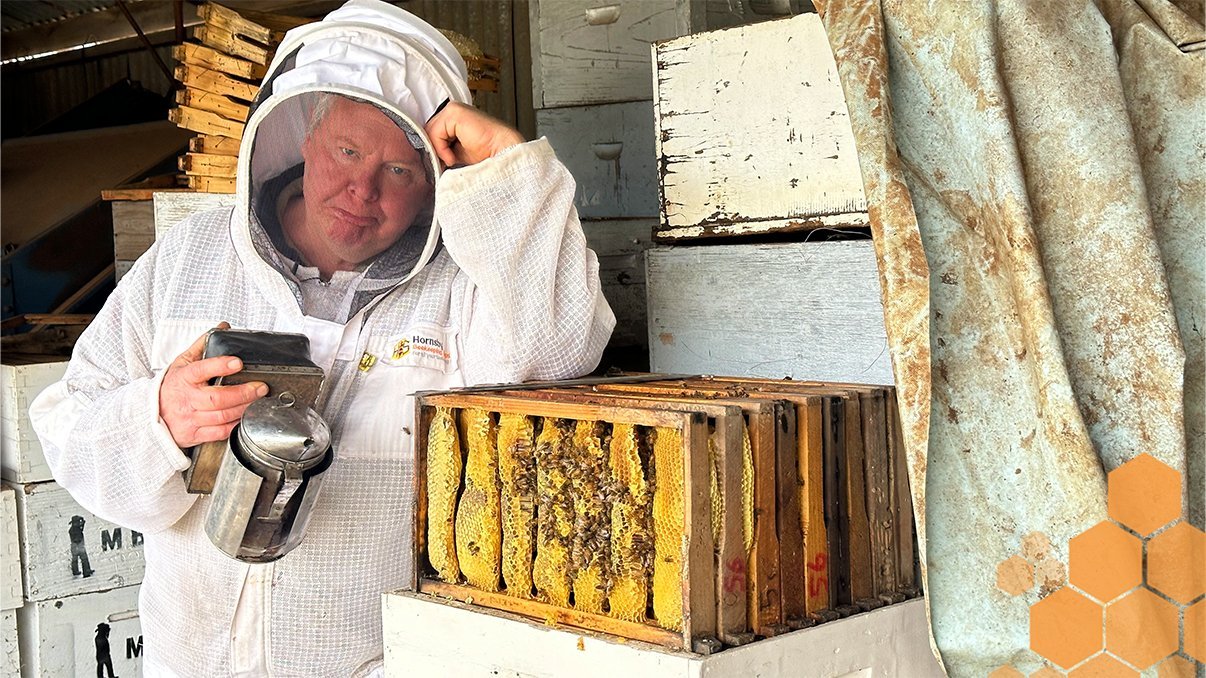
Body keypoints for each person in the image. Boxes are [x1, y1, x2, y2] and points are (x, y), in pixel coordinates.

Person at [29, 1, 614, 675]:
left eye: (399, 169)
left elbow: (562, 354)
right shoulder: (191, 257)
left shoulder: (468, 287)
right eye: (347, 150)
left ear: (433, 186)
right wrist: (160, 416)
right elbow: (71, 423)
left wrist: (510, 174)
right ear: (304, 136)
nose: (362, 188)